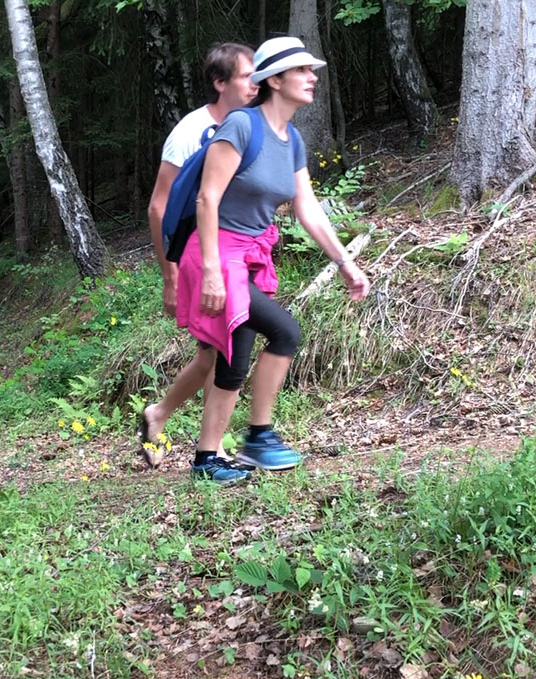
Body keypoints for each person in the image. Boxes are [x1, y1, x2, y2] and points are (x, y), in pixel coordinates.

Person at [176, 36, 370, 485]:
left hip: (245, 259)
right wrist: (210, 271)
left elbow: (308, 208)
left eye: (311, 70)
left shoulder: (293, 139)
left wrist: (344, 261)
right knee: (285, 330)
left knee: (234, 356)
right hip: (215, 255)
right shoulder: (242, 126)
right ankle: (259, 436)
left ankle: (208, 459)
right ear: (275, 80)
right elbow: (207, 199)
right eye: (302, 70)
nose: (312, 77)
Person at [139, 42, 258, 468]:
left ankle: (163, 416)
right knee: (222, 348)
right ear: (220, 82)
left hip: (236, 256)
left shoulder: (251, 125)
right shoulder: (191, 132)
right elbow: (159, 205)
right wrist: (170, 276)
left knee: (216, 350)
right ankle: (211, 447)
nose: (255, 83)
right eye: (247, 75)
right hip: (199, 257)